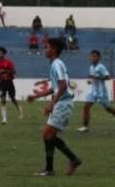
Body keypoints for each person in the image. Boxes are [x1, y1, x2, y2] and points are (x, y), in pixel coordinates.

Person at [27, 37, 83, 177]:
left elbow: (63, 86)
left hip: (63, 104)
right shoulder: (55, 64)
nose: (45, 50)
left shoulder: (56, 64)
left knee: (47, 134)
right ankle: (69, 161)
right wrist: (36, 96)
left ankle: (53, 168)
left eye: (47, 47)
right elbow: (55, 88)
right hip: (62, 103)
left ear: (54, 50)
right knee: (49, 135)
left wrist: (52, 104)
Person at [78, 50, 115, 132]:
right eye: (91, 56)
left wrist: (97, 78)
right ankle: (85, 127)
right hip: (93, 91)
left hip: (101, 92)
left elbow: (108, 77)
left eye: (94, 56)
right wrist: (90, 81)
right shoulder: (91, 67)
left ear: (99, 57)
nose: (92, 58)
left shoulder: (101, 67)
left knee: (108, 109)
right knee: (86, 107)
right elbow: (92, 77)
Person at [0, 47, 23, 123]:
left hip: (9, 82)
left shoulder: (9, 62)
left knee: (13, 98)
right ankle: (4, 118)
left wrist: (5, 71)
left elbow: (14, 71)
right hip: (2, 83)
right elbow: (0, 72)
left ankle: (19, 109)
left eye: (0, 53)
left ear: (4, 54)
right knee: (3, 99)